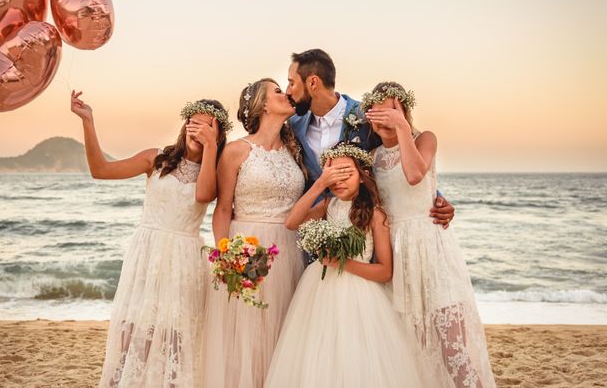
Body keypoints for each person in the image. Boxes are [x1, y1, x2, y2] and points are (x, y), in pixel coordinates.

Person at [70, 90, 230, 387]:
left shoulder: (216, 171)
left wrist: (210, 149)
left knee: (177, 337)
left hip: (185, 258)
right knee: (133, 330)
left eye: (208, 126)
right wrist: (88, 121)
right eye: (193, 122)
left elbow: (204, 195)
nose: (198, 130)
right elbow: (100, 170)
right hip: (148, 253)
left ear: (218, 135)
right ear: (184, 126)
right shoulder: (155, 158)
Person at [365, 81, 496, 387]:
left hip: (431, 247)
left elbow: (414, 175)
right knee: (410, 349)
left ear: (405, 111)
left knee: (453, 350)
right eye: (381, 109)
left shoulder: (424, 139)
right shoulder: (371, 158)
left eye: (394, 109)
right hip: (396, 254)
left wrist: (401, 129)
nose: (387, 115)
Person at [265, 142, 425, 387]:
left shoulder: (375, 215)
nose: (339, 182)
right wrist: (320, 184)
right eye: (333, 175)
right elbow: (291, 223)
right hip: (318, 292)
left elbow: (385, 271)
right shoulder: (328, 205)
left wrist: (342, 262)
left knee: (353, 356)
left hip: (359, 295)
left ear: (362, 176)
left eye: (346, 174)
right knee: (318, 352)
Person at [202, 79, 306, 388]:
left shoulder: (294, 150)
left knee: (283, 333)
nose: (286, 94)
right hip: (248, 248)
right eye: (277, 91)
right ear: (262, 104)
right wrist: (227, 259)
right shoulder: (237, 150)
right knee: (248, 336)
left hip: (290, 250)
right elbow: (222, 210)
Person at [286, 48, 455, 227]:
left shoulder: (370, 116)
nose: (287, 91)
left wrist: (436, 198)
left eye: (292, 83)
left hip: (364, 224)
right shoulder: (295, 124)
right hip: (317, 224)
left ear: (313, 82)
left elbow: (403, 152)